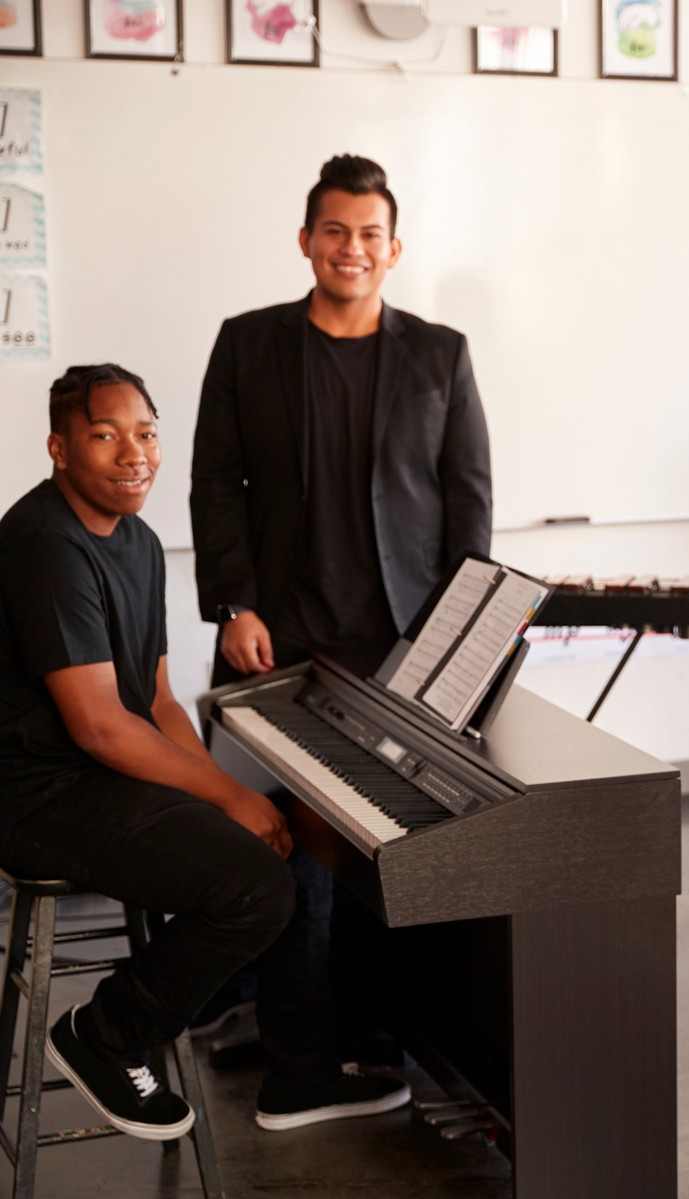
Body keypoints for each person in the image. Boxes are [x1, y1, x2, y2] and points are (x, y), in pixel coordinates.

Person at [0, 366, 407, 1139]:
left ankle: (299, 1076)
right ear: (59, 448)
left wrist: (227, 793)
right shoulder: (43, 545)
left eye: (147, 433)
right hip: (36, 796)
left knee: (285, 839)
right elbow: (99, 726)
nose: (135, 454)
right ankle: (105, 1033)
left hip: (98, 778)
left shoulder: (141, 541)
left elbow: (153, 702)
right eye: (105, 435)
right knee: (255, 885)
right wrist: (225, 799)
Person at [189, 154, 492, 1072]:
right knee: (266, 835)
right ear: (306, 240)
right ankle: (276, 1028)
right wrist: (232, 603)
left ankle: (376, 1029)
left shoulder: (440, 353)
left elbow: (467, 500)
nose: (350, 248)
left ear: (393, 249)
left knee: (385, 846)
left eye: (368, 234)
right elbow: (215, 484)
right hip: (271, 637)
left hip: (397, 645)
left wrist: (458, 640)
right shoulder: (248, 343)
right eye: (334, 231)